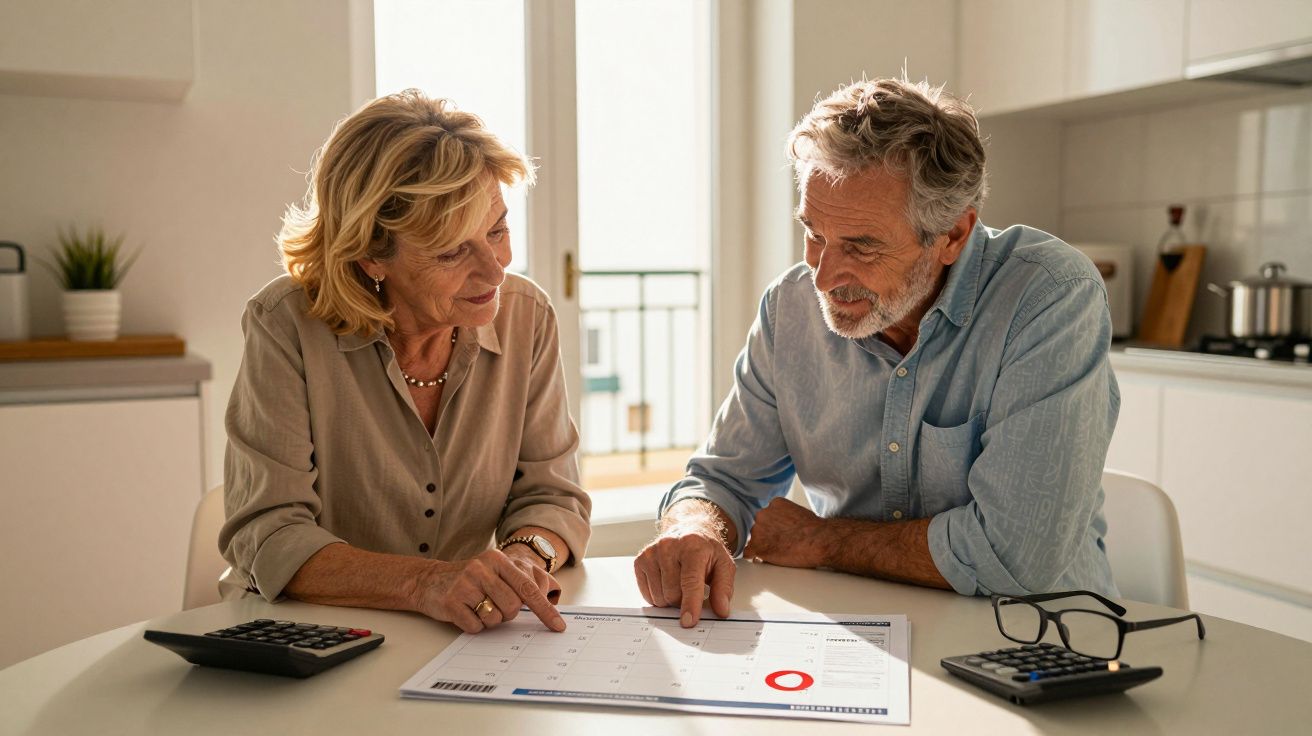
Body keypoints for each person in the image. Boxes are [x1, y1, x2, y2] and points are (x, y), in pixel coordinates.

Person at [635, 77, 1120, 627]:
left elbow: (1013, 555)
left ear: (952, 235)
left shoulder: (1050, 296)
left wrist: (820, 541)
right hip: (859, 636)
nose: (823, 276)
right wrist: (695, 527)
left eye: (861, 247)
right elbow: (724, 481)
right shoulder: (790, 307)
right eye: (814, 234)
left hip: (1039, 640)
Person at [220, 90, 590, 634]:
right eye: (452, 250)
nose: (495, 271)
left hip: (453, 636)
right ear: (370, 254)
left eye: (496, 230)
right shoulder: (286, 324)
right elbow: (270, 532)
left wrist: (524, 556)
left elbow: (551, 494)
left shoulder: (526, 316)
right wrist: (425, 584)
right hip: (301, 632)